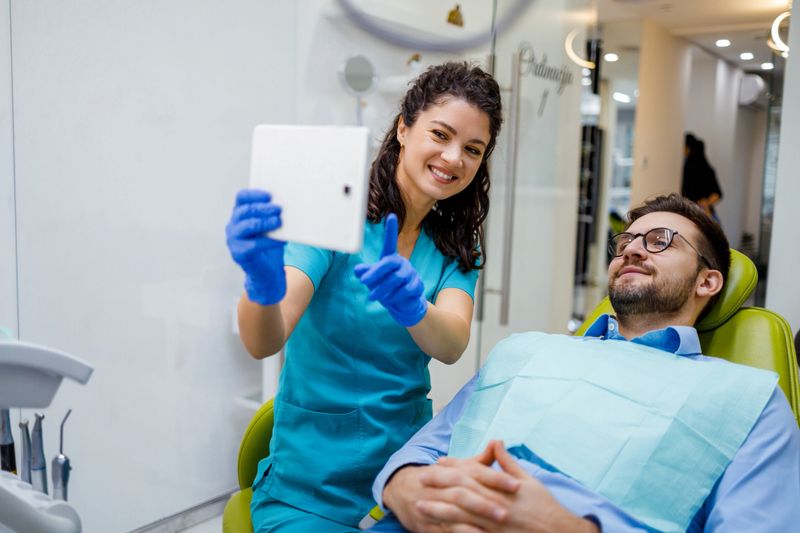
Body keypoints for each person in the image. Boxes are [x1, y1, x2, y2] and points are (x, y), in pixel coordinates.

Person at [371, 194, 800, 533]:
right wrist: (402, 487)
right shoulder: (525, 351)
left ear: (707, 280)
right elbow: (427, 447)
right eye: (626, 242)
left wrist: (571, 527)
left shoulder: (751, 400)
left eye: (660, 242)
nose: (632, 251)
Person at [225, 62, 503, 531]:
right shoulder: (336, 217)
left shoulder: (457, 242)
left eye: (472, 149)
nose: (454, 158)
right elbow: (263, 340)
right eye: (441, 134)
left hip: (404, 478)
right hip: (310, 487)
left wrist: (415, 307)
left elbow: (452, 343)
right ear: (404, 128)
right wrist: (261, 284)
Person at [682, 133, 723, 220]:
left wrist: (704, 204)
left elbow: (718, 193)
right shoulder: (708, 168)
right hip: (705, 214)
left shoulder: (688, 168)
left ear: (688, 148)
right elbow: (718, 194)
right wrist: (707, 203)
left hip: (693, 214)